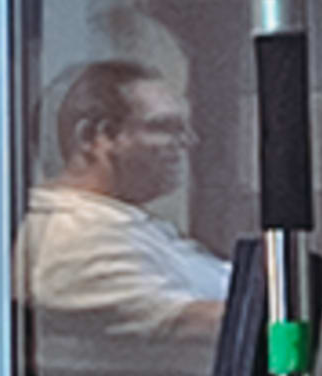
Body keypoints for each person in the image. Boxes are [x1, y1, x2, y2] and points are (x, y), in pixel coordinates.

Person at [15, 61, 227, 338]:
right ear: (94, 136)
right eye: (163, 127)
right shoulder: (76, 243)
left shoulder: (114, 222)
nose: (188, 141)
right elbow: (193, 325)